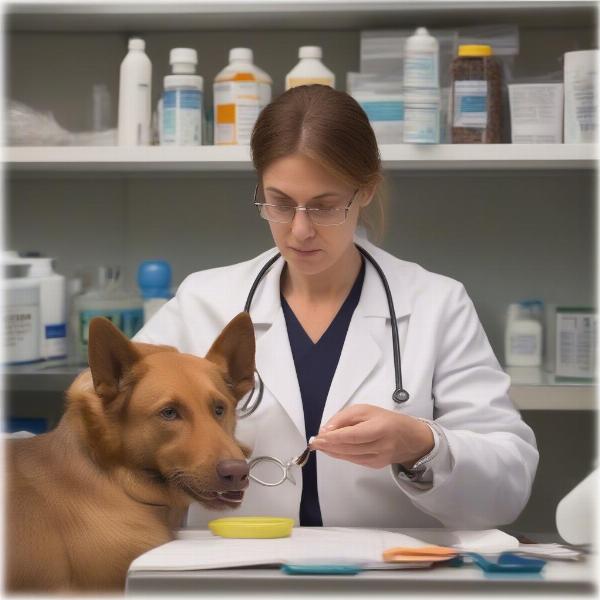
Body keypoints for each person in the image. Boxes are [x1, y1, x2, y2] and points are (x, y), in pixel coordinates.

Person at [134, 85, 538, 529]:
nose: (300, 230)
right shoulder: (204, 300)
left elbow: (507, 485)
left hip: (385, 575)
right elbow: (106, 422)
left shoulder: (437, 304)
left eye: (325, 206)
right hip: (236, 571)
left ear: (365, 191)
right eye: (280, 203)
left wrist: (420, 444)